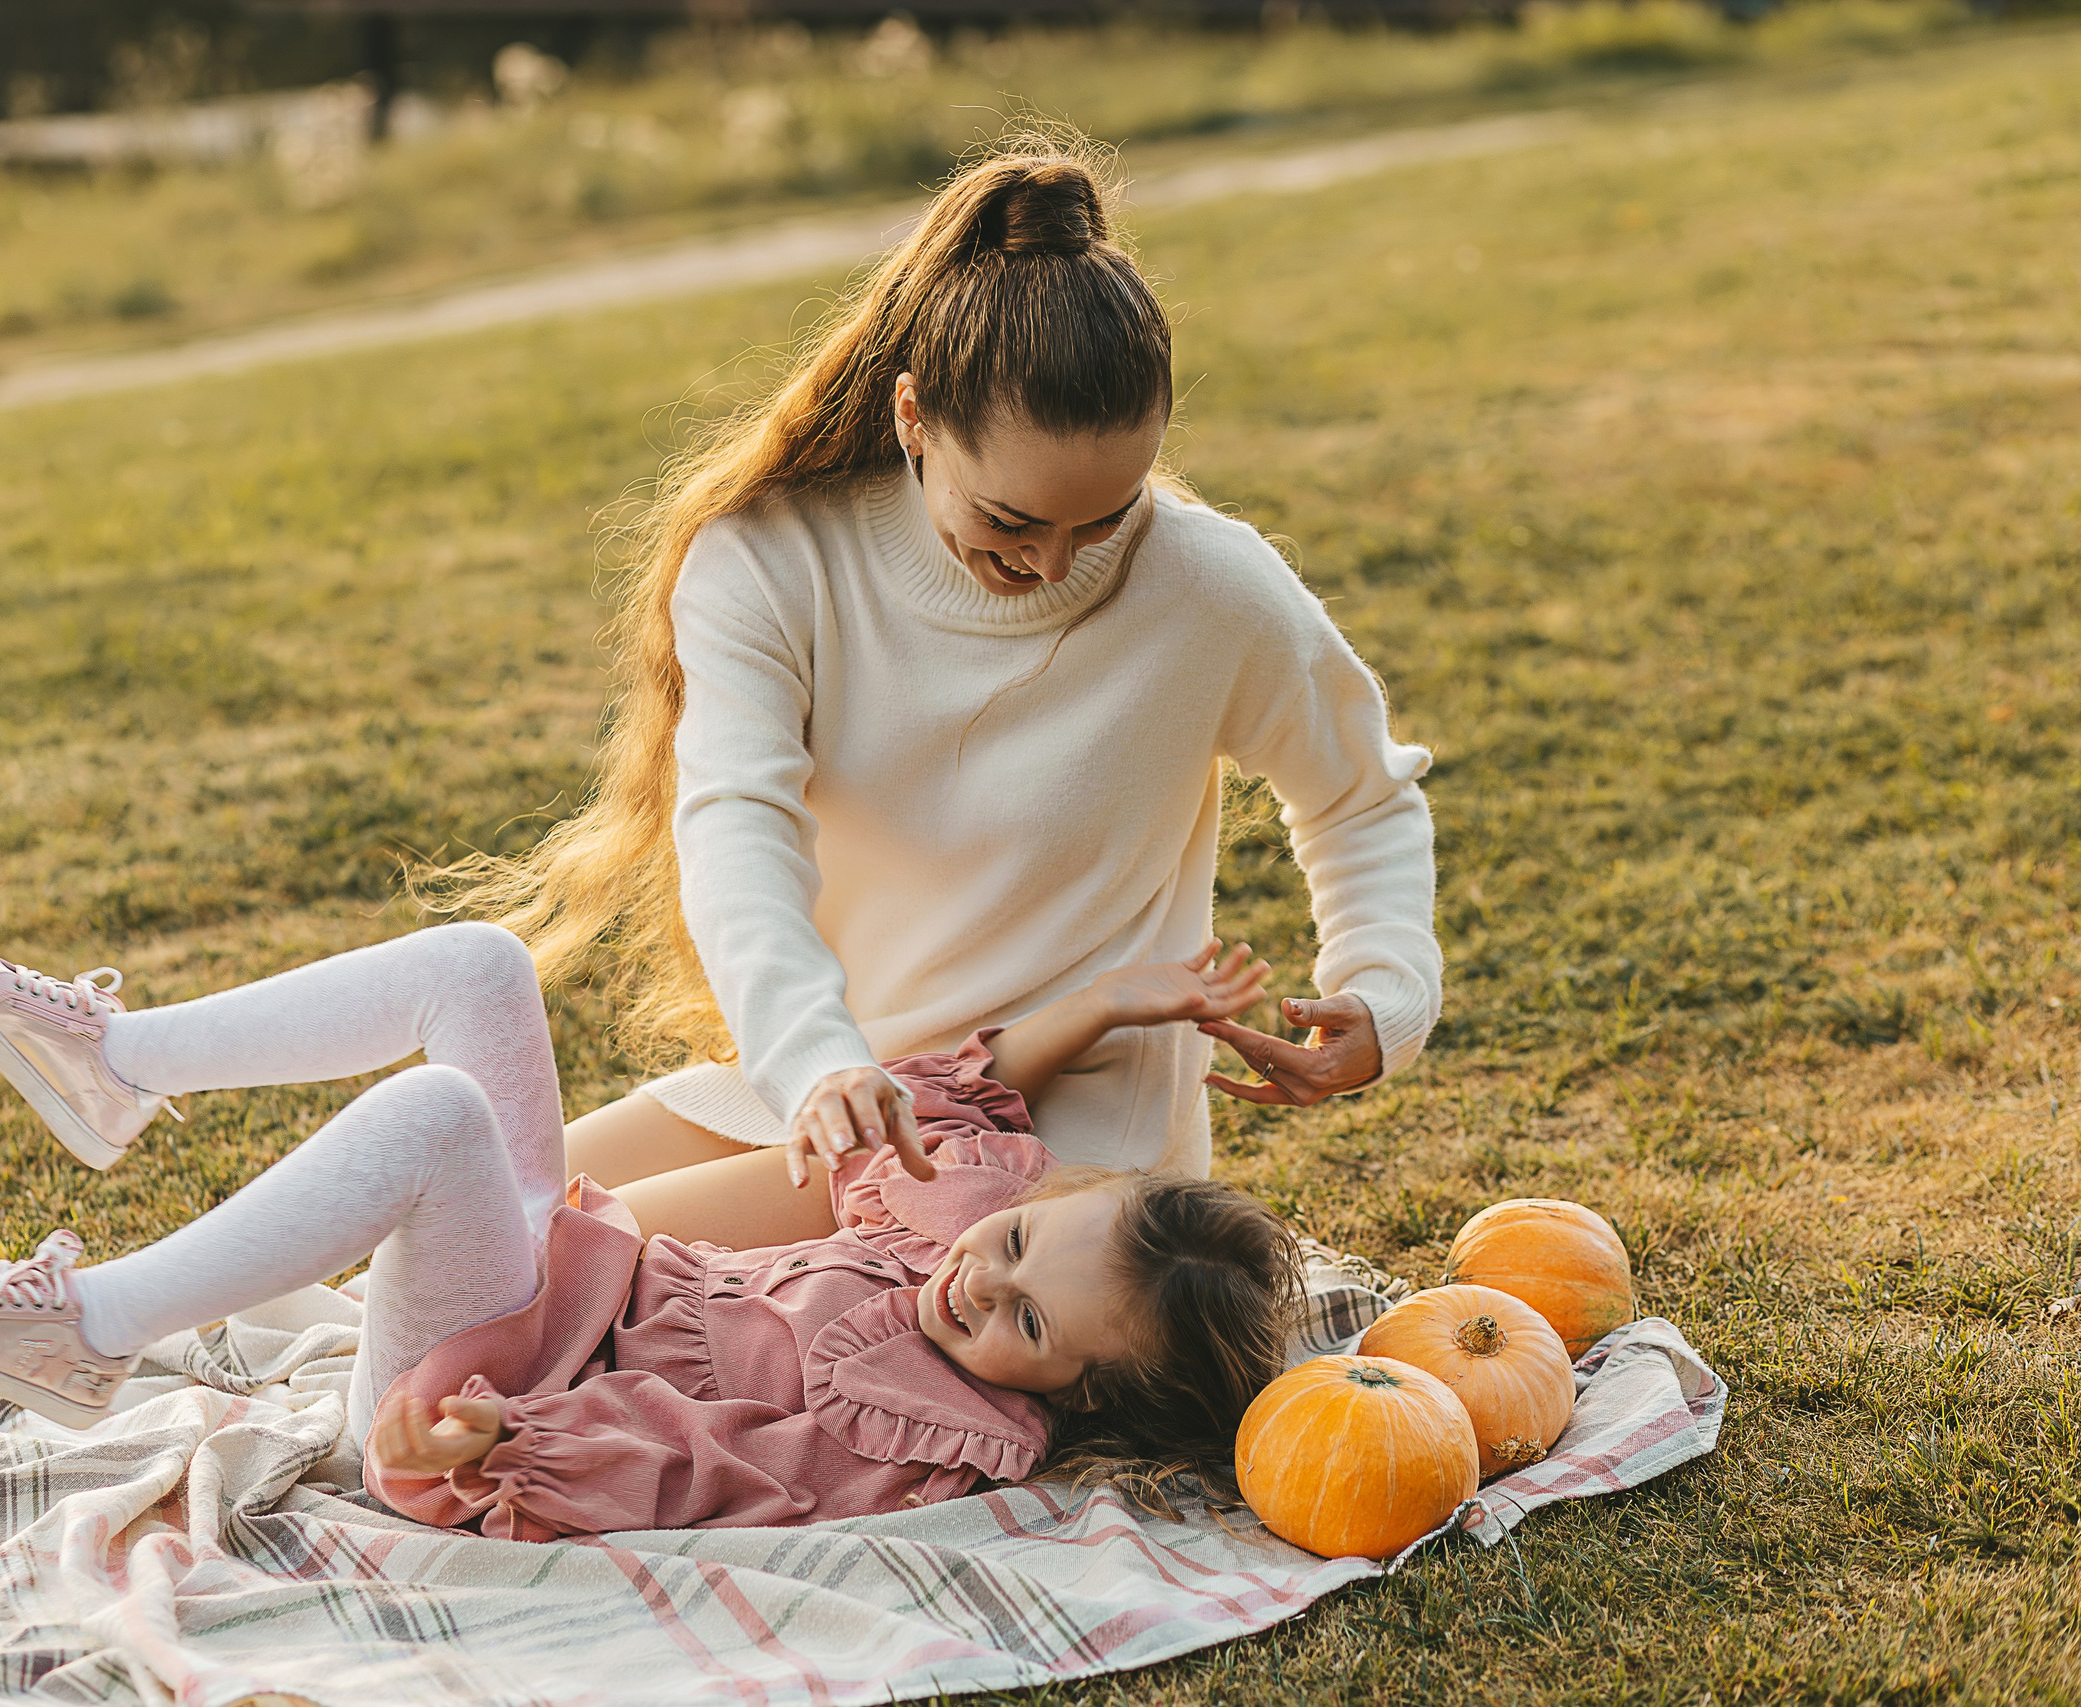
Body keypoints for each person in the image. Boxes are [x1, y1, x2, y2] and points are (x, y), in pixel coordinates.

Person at [444, 131, 1442, 1250]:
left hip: (1032, 1164)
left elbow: (1359, 795)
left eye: (1105, 519)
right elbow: (739, 834)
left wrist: (1382, 995)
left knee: (523, 1275)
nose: (1058, 567)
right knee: (448, 1228)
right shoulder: (773, 561)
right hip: (835, 1083)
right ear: (915, 418)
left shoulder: (1208, 583)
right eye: (1011, 520)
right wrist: (818, 1061)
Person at [0, 920, 1302, 1537]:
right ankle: (120, 1060)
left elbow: (714, 1467)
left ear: (1086, 1390)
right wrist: (1116, 999)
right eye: (1019, 1249)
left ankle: (85, 1330)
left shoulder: (932, 1425)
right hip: (547, 1261)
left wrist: (500, 1449)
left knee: (435, 1119)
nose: (980, 1286)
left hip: (487, 1393)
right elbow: (969, 1095)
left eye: (1032, 1324)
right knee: (485, 969)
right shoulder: (975, 1230)